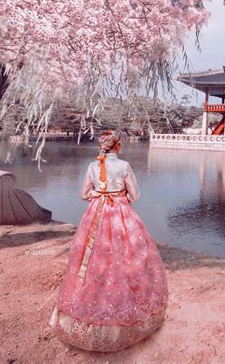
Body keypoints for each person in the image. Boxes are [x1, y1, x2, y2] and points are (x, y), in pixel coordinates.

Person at [49, 130, 168, 352]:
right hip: (120, 210)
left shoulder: (92, 167)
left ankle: (90, 294)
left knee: (91, 253)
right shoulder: (124, 166)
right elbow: (136, 195)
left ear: (103, 147)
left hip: (96, 212)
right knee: (126, 253)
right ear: (118, 147)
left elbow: (84, 194)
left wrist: (99, 195)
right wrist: (122, 198)